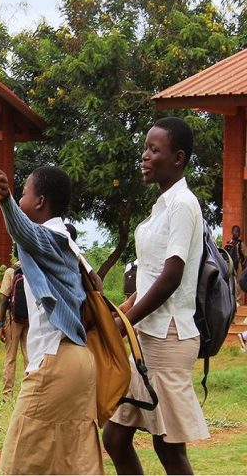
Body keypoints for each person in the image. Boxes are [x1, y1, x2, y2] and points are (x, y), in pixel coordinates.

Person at [103, 117, 209, 475]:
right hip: (144, 336)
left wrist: (125, 323)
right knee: (115, 438)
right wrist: (120, 314)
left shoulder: (183, 204)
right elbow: (150, 278)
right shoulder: (162, 205)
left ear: (177, 158)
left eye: (154, 149)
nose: (145, 156)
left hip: (168, 337)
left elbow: (171, 277)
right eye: (145, 148)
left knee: (168, 447)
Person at [0, 166, 102, 474]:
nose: (21, 198)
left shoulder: (50, 238)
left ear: (39, 202)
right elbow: (97, 285)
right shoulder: (69, 242)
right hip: (79, 361)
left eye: (24, 193)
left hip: (56, 363)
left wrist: (5, 200)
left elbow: (24, 231)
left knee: (16, 466)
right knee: (70, 465)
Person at [0, 255, 29, 401]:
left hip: (13, 318)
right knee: (30, 357)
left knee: (11, 357)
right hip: (30, 319)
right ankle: (29, 393)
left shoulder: (11, 272)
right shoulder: (33, 270)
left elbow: (4, 300)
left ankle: (7, 394)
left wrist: (1, 323)